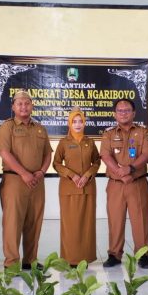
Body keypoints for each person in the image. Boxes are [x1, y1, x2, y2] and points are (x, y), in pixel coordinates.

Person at [0, 90, 52, 269]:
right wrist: (24, 173)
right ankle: (11, 263)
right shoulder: (7, 127)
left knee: (34, 222)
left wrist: (41, 172)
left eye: (27, 103)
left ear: (32, 106)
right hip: (15, 181)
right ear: (13, 107)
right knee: (13, 223)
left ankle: (30, 260)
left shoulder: (40, 128)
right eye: (19, 103)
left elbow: (47, 154)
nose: (23, 106)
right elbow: (4, 153)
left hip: (37, 181)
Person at [100, 99, 148, 269]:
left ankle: (143, 255)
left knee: (140, 220)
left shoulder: (143, 132)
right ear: (114, 114)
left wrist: (130, 169)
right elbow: (105, 155)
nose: (123, 113)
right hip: (116, 183)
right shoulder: (108, 133)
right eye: (120, 110)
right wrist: (120, 172)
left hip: (136, 182)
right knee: (115, 220)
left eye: (127, 110)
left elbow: (147, 153)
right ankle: (114, 255)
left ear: (134, 113)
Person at [53, 108, 101, 266]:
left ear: (84, 123)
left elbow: (97, 162)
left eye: (80, 121)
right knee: (70, 226)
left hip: (88, 189)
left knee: (87, 226)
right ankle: (70, 259)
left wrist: (87, 174)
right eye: (74, 121)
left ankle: (85, 258)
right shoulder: (63, 143)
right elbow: (56, 163)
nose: (78, 124)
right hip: (69, 190)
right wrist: (71, 175)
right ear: (70, 123)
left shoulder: (90, 142)